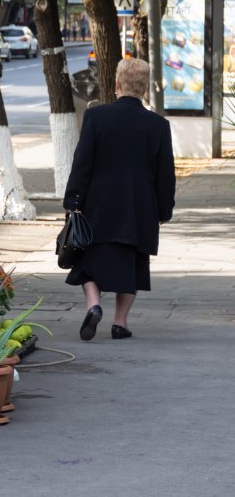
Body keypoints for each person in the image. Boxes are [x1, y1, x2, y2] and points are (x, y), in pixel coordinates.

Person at [63, 58, 176, 341]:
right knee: (132, 263)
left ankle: (94, 304)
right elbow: (165, 175)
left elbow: (82, 163)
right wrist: (164, 210)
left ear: (116, 84)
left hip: (97, 204)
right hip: (139, 208)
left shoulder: (96, 117)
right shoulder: (158, 125)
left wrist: (73, 200)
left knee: (86, 258)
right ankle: (120, 323)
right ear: (145, 88)